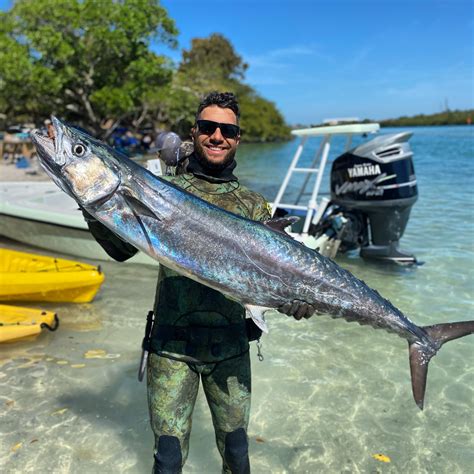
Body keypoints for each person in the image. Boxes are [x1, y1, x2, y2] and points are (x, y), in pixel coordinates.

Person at [82, 92, 314, 473]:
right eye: (208, 127)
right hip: (171, 348)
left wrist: (296, 301)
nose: (217, 136)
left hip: (231, 347)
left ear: (238, 138)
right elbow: (121, 251)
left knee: (238, 455)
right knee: (168, 459)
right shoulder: (166, 192)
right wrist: (92, 202)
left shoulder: (253, 206)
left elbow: (274, 276)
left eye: (227, 130)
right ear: (195, 132)